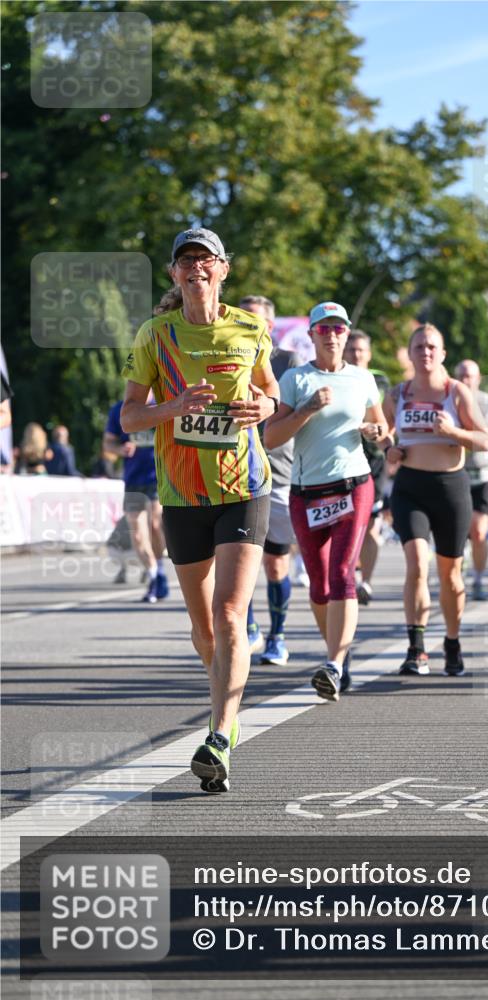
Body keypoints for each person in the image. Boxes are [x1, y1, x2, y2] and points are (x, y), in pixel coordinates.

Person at [120, 227, 279, 792]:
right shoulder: (155, 334)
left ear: (223, 270)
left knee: (231, 614)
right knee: (204, 625)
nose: (196, 268)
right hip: (182, 494)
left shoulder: (249, 327)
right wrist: (175, 406)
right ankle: (226, 714)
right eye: (186, 261)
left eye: (205, 259)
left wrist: (260, 406)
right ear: (174, 275)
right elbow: (130, 419)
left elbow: (270, 393)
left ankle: (220, 733)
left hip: (243, 485)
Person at [264, 301, 387, 701]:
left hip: (353, 484)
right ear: (312, 335)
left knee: (342, 575)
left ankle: (333, 663)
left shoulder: (364, 378)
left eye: (339, 329)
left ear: (347, 334)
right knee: (318, 585)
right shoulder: (296, 379)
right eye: (325, 329)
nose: (332, 335)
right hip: (307, 492)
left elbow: (382, 427)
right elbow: (272, 437)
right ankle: (339, 653)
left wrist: (377, 434)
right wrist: (307, 409)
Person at [382, 324, 488, 677]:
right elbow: (381, 432)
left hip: (450, 489)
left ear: (442, 354)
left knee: (451, 575)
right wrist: (388, 448)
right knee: (416, 563)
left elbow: (484, 440)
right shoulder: (398, 394)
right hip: (410, 487)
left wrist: (453, 432)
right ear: (410, 354)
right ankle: (416, 647)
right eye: (418, 347)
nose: (425, 353)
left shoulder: (456, 392)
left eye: (431, 347)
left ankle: (452, 642)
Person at [239, 295, 299, 666]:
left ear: (271, 326)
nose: (249, 325)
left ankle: (277, 636)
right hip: (234, 472)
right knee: (236, 560)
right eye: (243, 318)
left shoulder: (287, 363)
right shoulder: (223, 357)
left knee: (276, 565)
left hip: (277, 473)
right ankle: (247, 627)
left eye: (256, 320)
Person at [343, 330, 391, 605]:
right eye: (352, 350)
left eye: (361, 350)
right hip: (342, 458)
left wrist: (387, 440)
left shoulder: (380, 380)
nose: (356, 355)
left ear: (369, 354)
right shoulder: (334, 377)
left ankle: (366, 582)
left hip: (374, 461)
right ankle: (345, 575)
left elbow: (389, 417)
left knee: (371, 524)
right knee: (345, 522)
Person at [104, 397, 169, 601]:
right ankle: (153, 576)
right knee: (138, 534)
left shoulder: (164, 403)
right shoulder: (120, 409)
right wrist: (119, 449)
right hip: (133, 480)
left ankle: (159, 568)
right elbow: (108, 443)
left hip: (159, 476)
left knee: (156, 523)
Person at [454, 359, 488, 600]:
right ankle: (461, 563)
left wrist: (487, 435)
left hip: (484, 474)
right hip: (456, 472)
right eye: (462, 375)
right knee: (458, 529)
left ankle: (477, 578)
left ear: (478, 378)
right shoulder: (449, 399)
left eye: (470, 376)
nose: (466, 380)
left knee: (479, 531)